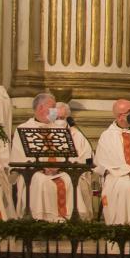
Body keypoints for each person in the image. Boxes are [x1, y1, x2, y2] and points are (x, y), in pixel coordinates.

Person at [12, 93, 90, 221]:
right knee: (41, 181)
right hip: (33, 172)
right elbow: (19, 156)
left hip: (58, 170)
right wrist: (41, 167)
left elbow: (67, 153)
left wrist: (58, 167)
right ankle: (40, 220)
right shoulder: (23, 128)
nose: (55, 111)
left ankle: (66, 220)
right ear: (41, 108)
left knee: (68, 180)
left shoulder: (58, 129)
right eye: (52, 107)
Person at [56, 102, 97, 217]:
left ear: (68, 118)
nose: (59, 121)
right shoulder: (46, 133)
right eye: (56, 118)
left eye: (62, 118)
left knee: (72, 181)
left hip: (73, 172)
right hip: (50, 172)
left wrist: (72, 166)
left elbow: (88, 158)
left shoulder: (77, 136)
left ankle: (76, 218)